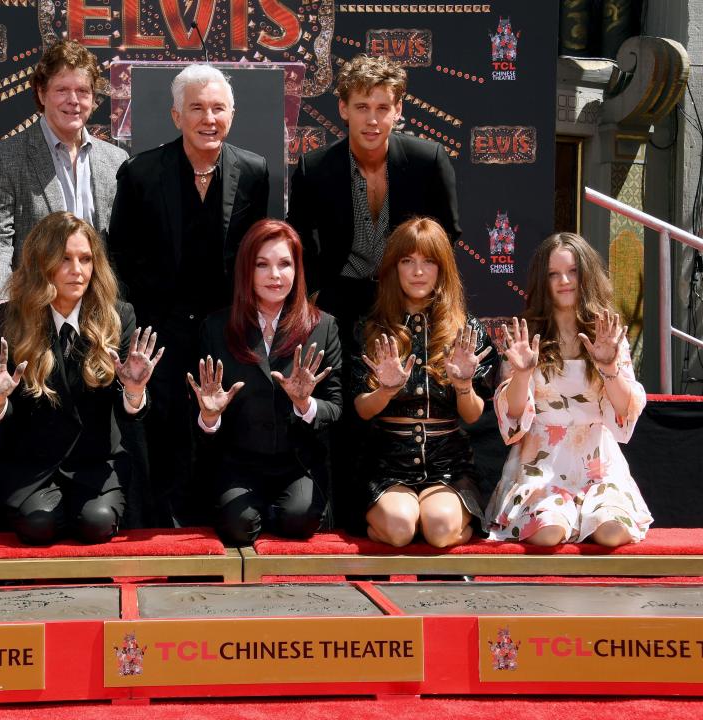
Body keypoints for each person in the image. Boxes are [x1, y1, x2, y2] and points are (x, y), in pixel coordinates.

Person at [108, 63, 269, 526]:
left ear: (232, 114)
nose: (208, 118)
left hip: (225, 325)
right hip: (160, 324)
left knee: (221, 418)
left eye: (218, 108)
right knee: (163, 423)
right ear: (176, 115)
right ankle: (159, 520)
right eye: (196, 108)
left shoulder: (254, 171)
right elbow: (118, 257)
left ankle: (220, 509)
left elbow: (254, 253)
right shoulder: (139, 173)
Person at [0, 212, 162, 545]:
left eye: (86, 259)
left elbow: (128, 410)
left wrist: (133, 391)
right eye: (65, 259)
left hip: (97, 463)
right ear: (43, 264)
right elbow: (2, 418)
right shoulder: (13, 319)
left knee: (95, 524)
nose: (78, 270)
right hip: (34, 467)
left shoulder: (118, 316)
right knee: (39, 527)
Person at [484, 232, 652, 546]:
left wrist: (609, 369)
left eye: (573, 271)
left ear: (586, 274)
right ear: (541, 280)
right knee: (549, 532)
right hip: (541, 465)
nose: (564, 280)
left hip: (598, 465)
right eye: (553, 273)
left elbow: (624, 414)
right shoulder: (525, 332)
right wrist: (521, 374)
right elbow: (514, 422)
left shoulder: (608, 333)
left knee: (612, 532)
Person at [187, 220, 342, 544]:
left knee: (299, 520)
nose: (275, 275)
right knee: (238, 525)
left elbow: (336, 406)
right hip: (238, 462)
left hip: (297, 462)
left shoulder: (322, 326)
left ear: (297, 269)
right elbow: (197, 422)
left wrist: (305, 404)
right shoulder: (217, 328)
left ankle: (276, 512)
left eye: (285, 264)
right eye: (263, 265)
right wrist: (211, 416)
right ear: (247, 270)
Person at [287, 54, 461, 342]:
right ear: (344, 109)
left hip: (409, 301)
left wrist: (419, 285)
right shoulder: (315, 168)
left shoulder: (428, 161)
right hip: (337, 306)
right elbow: (298, 240)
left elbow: (447, 234)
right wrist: (317, 295)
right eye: (362, 107)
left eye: (382, 108)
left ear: (398, 109)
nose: (372, 120)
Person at [354, 218, 495, 547]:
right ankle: (398, 523)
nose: (418, 271)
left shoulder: (467, 330)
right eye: (408, 261)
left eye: (428, 261)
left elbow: (474, 416)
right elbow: (361, 409)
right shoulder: (370, 328)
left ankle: (448, 523)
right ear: (394, 268)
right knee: (401, 526)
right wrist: (385, 391)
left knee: (441, 527)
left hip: (448, 464)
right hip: (387, 463)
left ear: (442, 268)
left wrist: (463, 385)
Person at [0, 39, 129, 330]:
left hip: (99, 322)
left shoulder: (116, 161)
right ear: (42, 93)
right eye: (62, 90)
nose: (74, 100)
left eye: (83, 91)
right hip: (31, 319)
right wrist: (2, 302)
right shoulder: (6, 158)